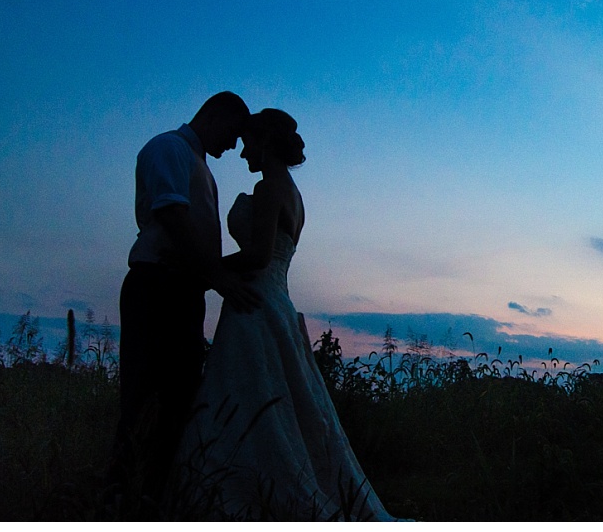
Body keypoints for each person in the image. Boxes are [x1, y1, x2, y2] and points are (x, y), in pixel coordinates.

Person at [168, 109, 400, 521]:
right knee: (274, 402)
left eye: (248, 145)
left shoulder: (270, 187)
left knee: (248, 400)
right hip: (276, 301)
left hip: (253, 306)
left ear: (264, 143)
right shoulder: (293, 193)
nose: (243, 154)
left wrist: (204, 271)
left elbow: (258, 256)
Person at [109, 91, 262, 515]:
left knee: (178, 399)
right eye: (232, 134)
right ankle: (121, 499)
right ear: (215, 116)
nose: (232, 146)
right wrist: (218, 277)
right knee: (143, 396)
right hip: (157, 288)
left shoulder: (200, 166)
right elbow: (172, 216)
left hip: (183, 292)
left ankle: (157, 498)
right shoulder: (169, 149)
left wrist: (209, 278)